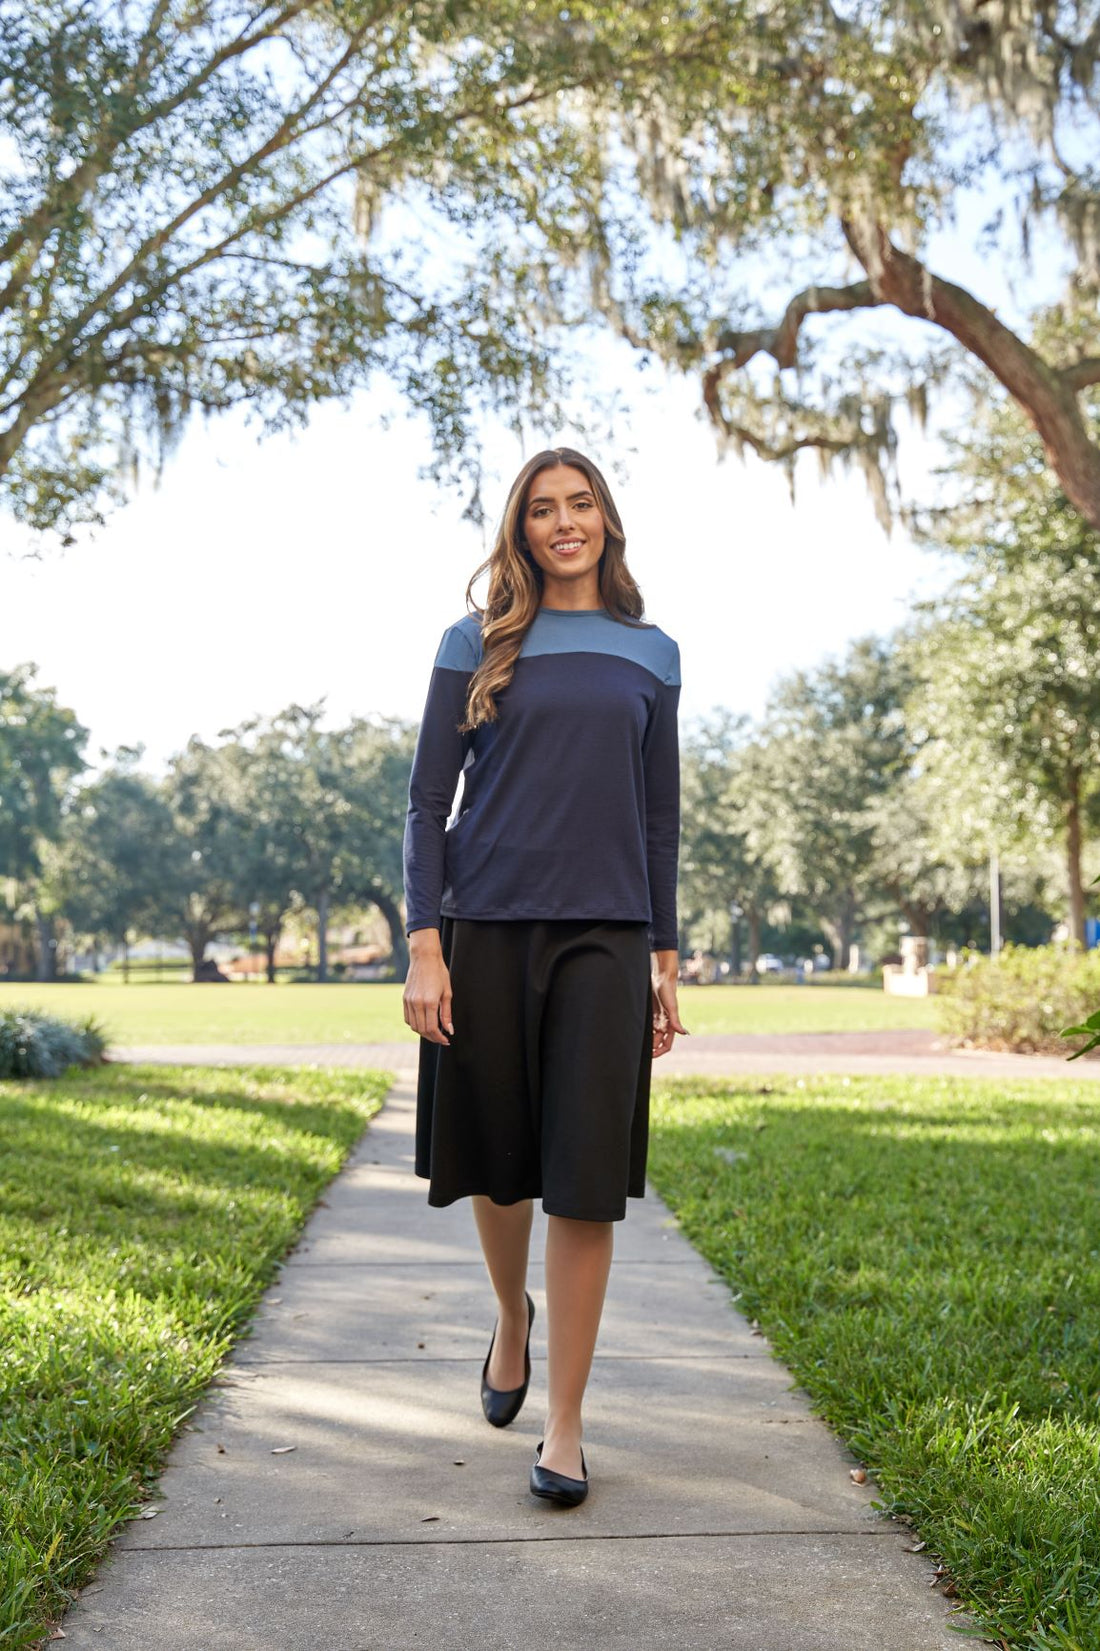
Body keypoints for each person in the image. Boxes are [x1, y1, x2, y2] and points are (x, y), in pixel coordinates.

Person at [401, 445, 687, 1508]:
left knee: (582, 1179)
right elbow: (425, 801)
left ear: (606, 519)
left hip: (605, 940)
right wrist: (425, 945)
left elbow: (657, 816)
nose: (562, 523)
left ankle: (564, 1425)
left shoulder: (648, 653)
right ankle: (508, 1315)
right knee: (502, 1166)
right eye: (539, 510)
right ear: (518, 531)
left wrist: (663, 954)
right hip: (483, 929)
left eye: (579, 505)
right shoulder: (472, 642)